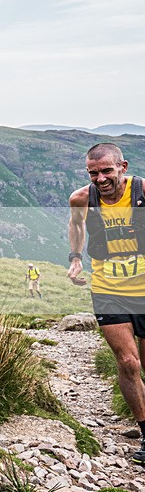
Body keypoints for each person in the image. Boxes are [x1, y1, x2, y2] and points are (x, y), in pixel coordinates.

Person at [68, 142, 145, 465]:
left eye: (106, 171)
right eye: (93, 173)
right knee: (129, 363)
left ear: (122, 167)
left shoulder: (142, 191)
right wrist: (75, 258)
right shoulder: (81, 198)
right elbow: (76, 224)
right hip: (108, 288)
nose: (100, 178)